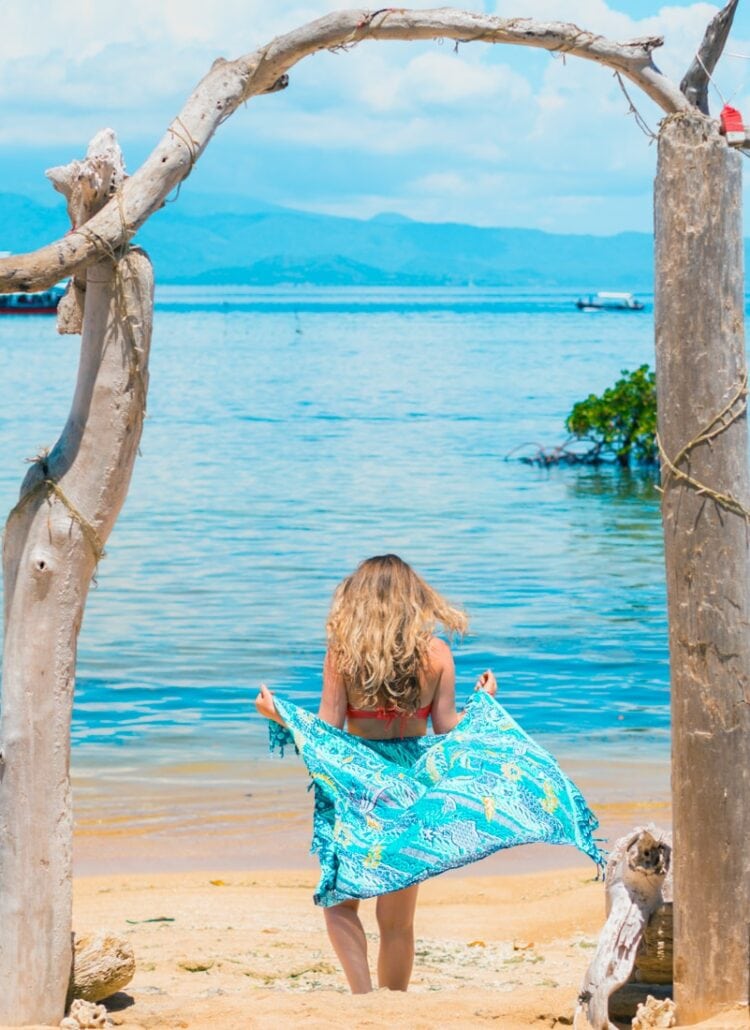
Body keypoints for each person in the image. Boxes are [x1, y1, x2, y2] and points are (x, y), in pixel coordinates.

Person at [255, 553, 603, 994]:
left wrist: (280, 715)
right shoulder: (436, 654)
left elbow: (327, 731)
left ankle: (364, 998)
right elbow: (448, 729)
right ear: (413, 599)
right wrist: (484, 703)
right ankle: (394, 1002)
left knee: (340, 904)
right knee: (397, 921)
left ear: (358, 600)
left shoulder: (343, 655)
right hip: (413, 786)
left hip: (359, 789)